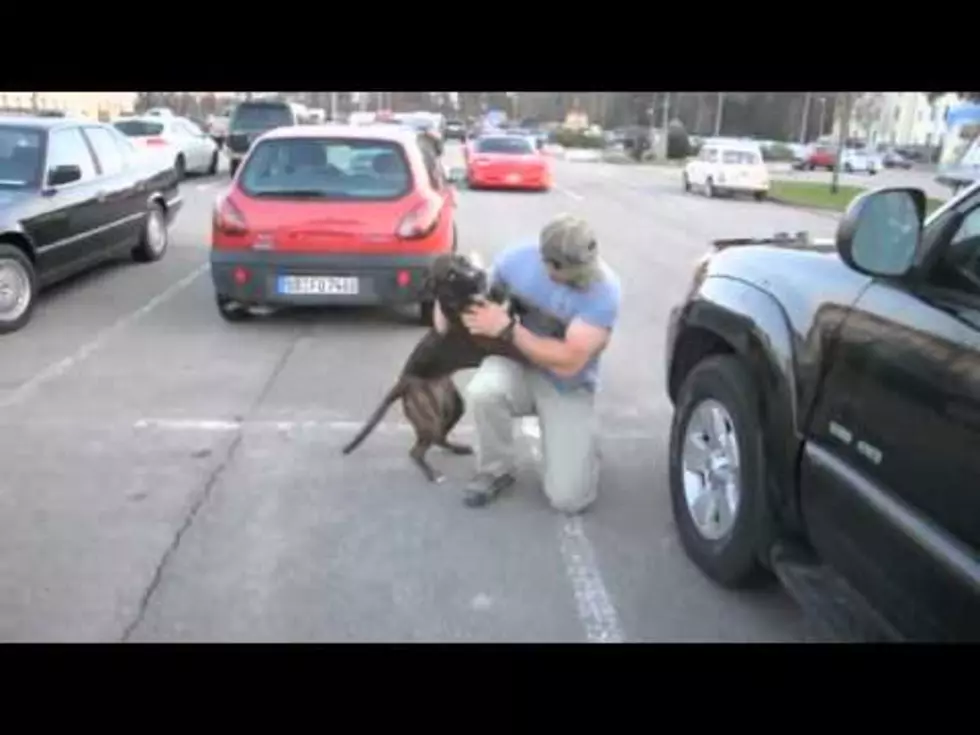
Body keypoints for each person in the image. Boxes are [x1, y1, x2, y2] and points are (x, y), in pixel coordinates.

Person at [432, 214, 622, 513]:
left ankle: (582, 450)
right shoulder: (517, 260)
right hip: (518, 364)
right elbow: (478, 301)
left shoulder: (604, 291)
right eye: (575, 272)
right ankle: (496, 469)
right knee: (484, 390)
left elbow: (569, 363)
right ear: (546, 262)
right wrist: (449, 293)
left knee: (568, 500)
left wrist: (507, 329)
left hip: (567, 384)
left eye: (586, 269)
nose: (584, 278)